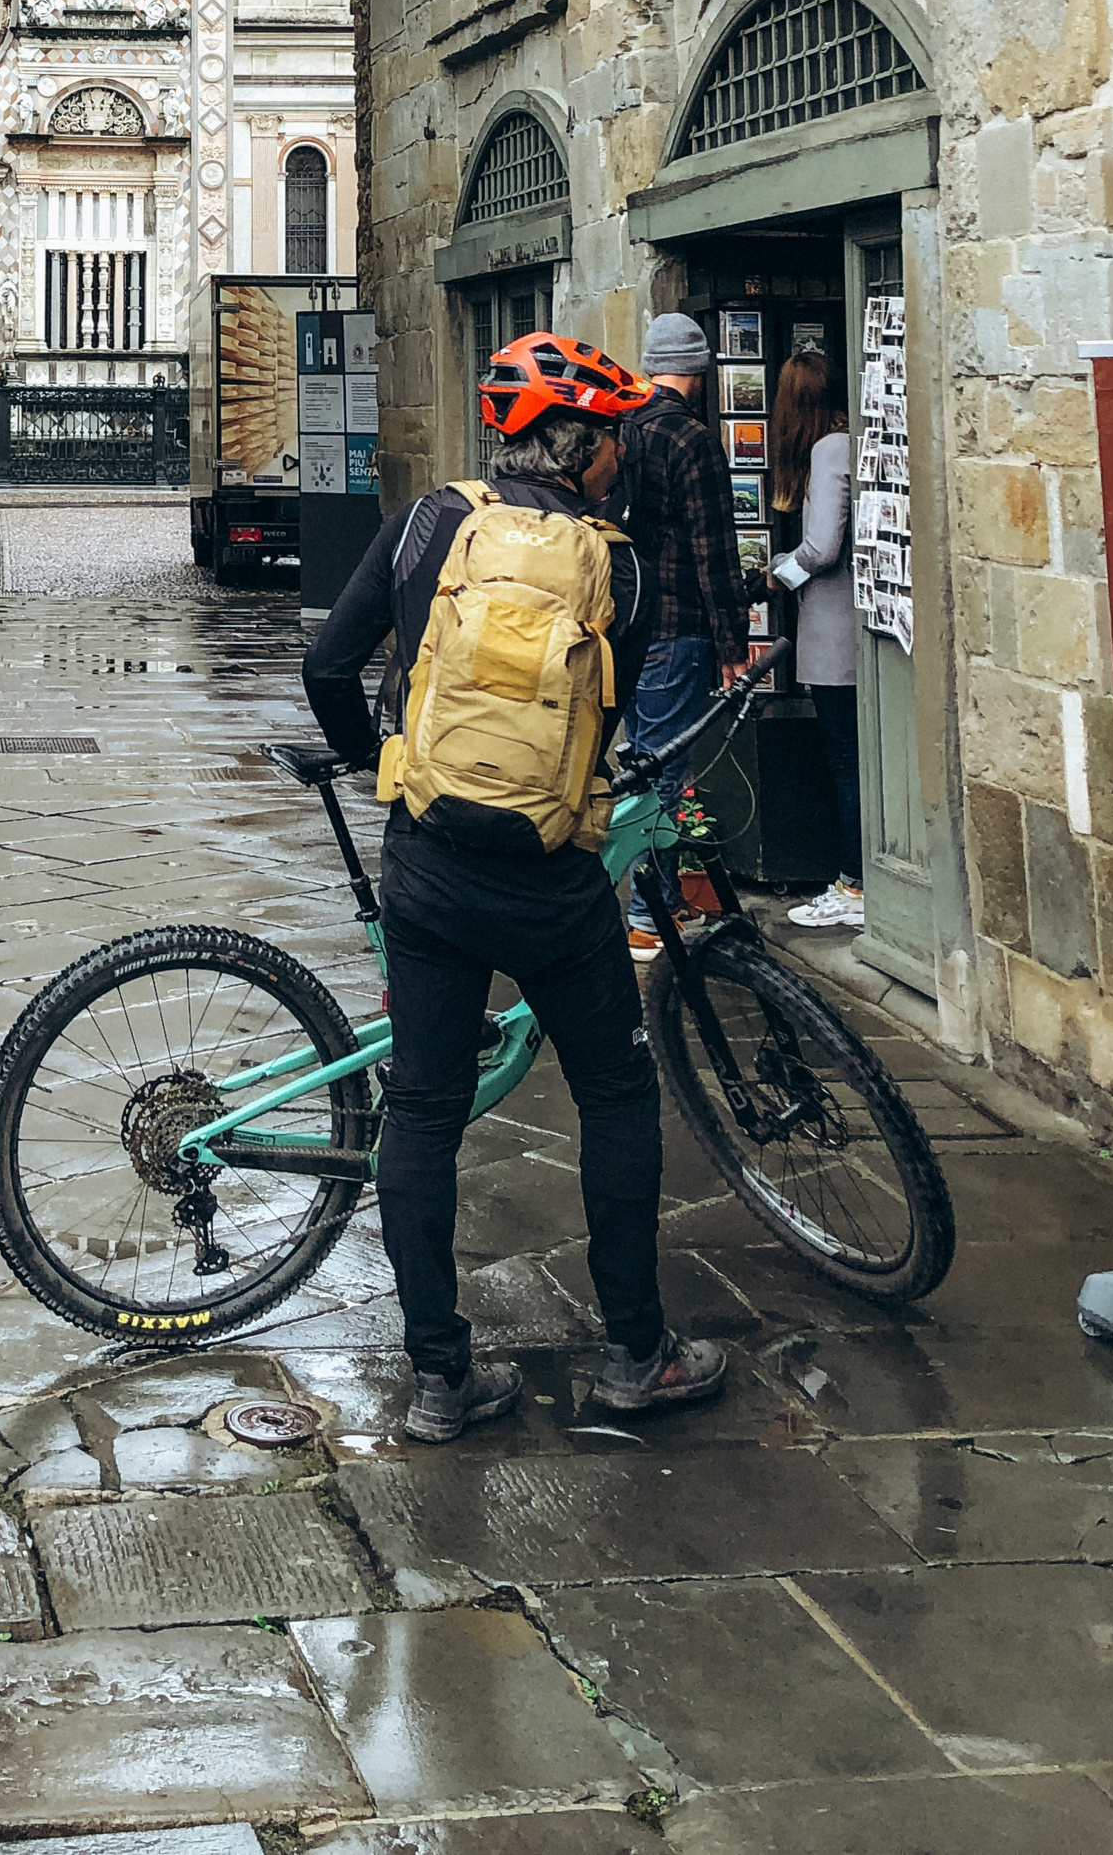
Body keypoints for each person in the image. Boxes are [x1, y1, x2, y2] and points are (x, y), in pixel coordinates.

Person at [302, 333, 729, 1446]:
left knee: (424, 1113)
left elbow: (325, 664)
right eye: (612, 440)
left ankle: (442, 1376)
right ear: (581, 441)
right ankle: (637, 1352)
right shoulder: (618, 565)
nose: (619, 458)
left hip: (431, 864)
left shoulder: (426, 523)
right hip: (550, 878)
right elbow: (607, 722)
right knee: (616, 1095)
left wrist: (380, 761)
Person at [615, 311, 752, 956]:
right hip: (678, 628)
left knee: (642, 763)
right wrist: (733, 644)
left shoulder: (622, 429)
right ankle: (648, 916)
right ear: (698, 368)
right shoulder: (690, 438)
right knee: (665, 773)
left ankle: (663, 900)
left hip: (627, 628)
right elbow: (713, 548)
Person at [769, 352, 862, 930]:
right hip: (850, 630)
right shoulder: (853, 441)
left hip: (835, 634)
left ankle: (852, 885)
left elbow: (822, 549)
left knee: (845, 761)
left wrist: (774, 573)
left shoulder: (829, 450)